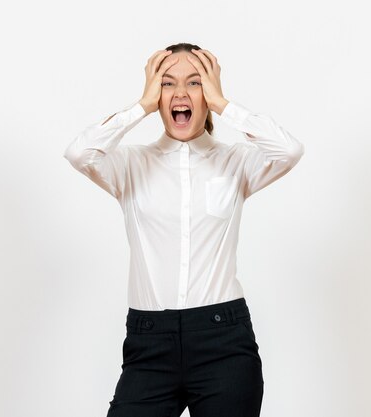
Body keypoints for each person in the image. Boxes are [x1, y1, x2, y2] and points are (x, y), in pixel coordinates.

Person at [63, 42, 304, 417]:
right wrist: (139, 107)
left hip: (223, 342)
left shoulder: (235, 162)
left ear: (207, 93)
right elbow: (80, 153)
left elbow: (288, 150)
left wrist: (225, 105)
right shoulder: (130, 165)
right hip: (149, 345)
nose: (180, 93)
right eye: (167, 83)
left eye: (194, 83)